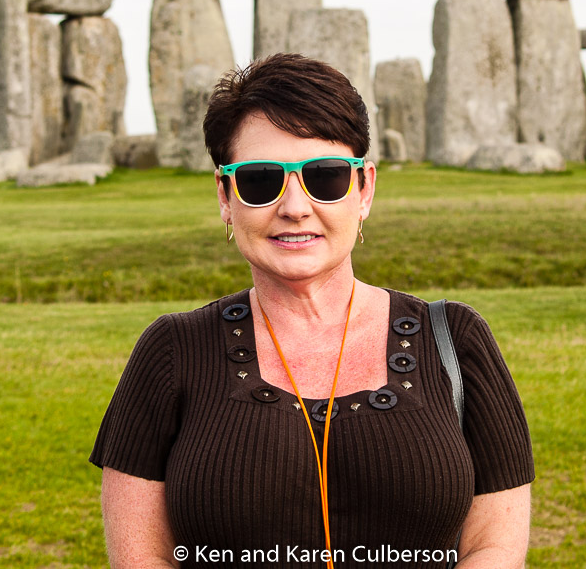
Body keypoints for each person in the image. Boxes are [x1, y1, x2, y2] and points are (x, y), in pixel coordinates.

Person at [90, 54, 534, 569]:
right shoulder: (171, 351)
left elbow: (494, 546)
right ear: (225, 197)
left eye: (325, 177)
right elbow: (143, 559)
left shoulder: (456, 340)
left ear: (364, 189)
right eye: (260, 180)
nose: (295, 207)